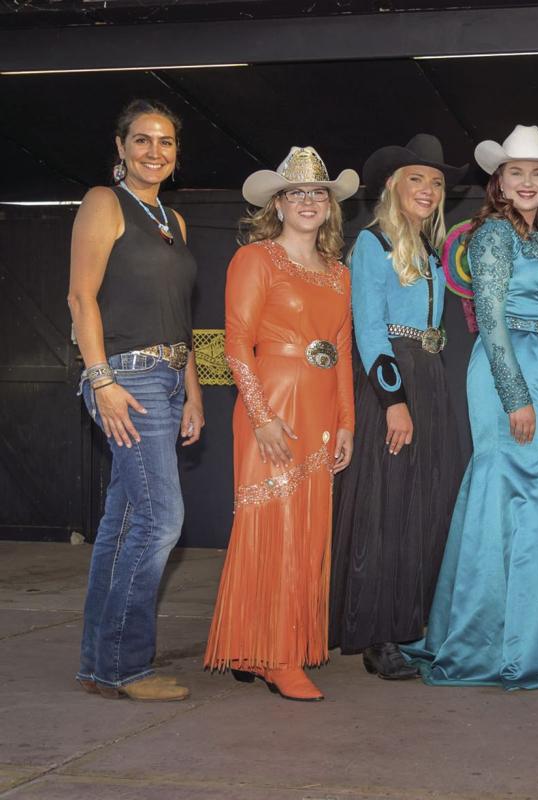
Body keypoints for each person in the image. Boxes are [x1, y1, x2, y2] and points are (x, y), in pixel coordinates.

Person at [401, 125, 538, 688]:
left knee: (534, 492)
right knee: (508, 488)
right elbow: (489, 317)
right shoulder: (493, 233)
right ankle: (493, 642)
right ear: (500, 181)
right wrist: (516, 396)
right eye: (517, 173)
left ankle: (531, 632)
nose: (528, 181)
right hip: (507, 366)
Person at [203, 147, 359, 702]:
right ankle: (278, 657)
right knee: (275, 526)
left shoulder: (340, 273)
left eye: (319, 193)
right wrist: (261, 415)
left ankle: (258, 645)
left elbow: (342, 350)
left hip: (321, 408)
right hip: (271, 404)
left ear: (330, 206)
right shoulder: (255, 259)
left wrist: (348, 422)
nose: (309, 202)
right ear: (278, 204)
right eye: (297, 193)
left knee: (308, 532)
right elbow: (236, 343)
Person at [68, 99, 202, 702]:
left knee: (123, 524)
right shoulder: (104, 201)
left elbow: (181, 315)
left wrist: (192, 392)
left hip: (168, 379)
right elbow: (81, 298)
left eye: (165, 142)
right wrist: (101, 381)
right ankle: (125, 668)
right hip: (126, 377)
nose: (155, 151)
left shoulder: (174, 221)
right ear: (121, 147)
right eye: (143, 140)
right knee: (160, 520)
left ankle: (99, 666)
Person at [329, 135, 468, 680]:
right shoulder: (372, 243)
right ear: (392, 185)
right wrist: (393, 402)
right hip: (393, 379)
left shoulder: (430, 250)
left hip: (430, 377)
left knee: (424, 504)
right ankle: (377, 634)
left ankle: (412, 622)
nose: (428, 189)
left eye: (436, 182)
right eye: (417, 179)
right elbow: (368, 330)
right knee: (386, 508)